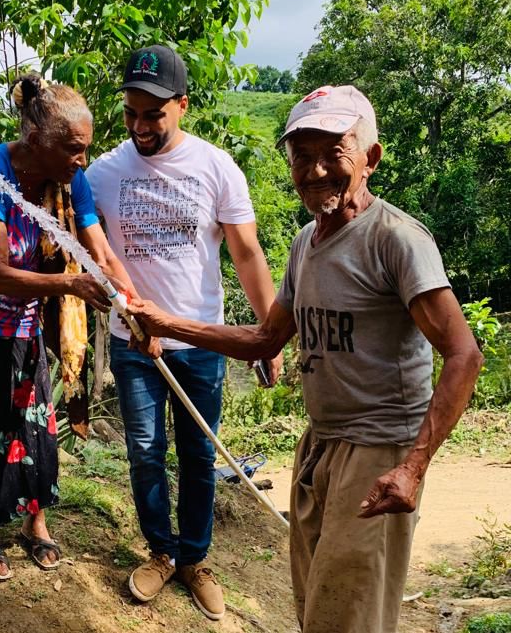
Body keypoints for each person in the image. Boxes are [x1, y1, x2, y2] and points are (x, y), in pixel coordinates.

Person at [126, 85, 484, 632]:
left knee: (348, 616)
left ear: (371, 157)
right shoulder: (304, 244)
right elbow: (266, 340)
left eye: (333, 153)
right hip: (319, 445)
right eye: (301, 156)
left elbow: (464, 354)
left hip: (378, 450)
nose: (316, 171)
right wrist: (165, 323)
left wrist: (412, 467)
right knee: (317, 607)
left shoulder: (396, 240)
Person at [85, 44, 282, 621]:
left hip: (201, 341)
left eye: (154, 113)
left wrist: (267, 336)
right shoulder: (102, 175)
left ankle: (196, 559)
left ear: (182, 106)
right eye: (131, 113)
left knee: (198, 452)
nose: (141, 126)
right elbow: (90, 258)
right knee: (146, 453)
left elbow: (247, 255)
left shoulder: (217, 168)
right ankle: (161, 552)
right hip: (133, 346)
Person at [0, 74, 136, 581]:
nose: (81, 160)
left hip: (22, 317)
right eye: (72, 149)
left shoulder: (68, 179)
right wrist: (70, 285)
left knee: (30, 419)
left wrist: (130, 303)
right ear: (35, 140)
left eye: (84, 149)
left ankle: (34, 522)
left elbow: (98, 251)